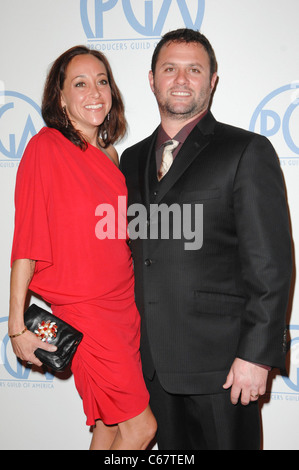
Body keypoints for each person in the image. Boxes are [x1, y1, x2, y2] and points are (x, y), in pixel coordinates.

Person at [120, 29, 293, 450]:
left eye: (194, 70)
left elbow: (270, 264)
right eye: (170, 69)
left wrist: (256, 355)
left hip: (224, 371)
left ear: (212, 80)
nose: (181, 79)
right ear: (151, 78)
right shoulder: (131, 159)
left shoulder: (246, 150)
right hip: (152, 370)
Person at [8, 45, 156, 450]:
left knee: (109, 424)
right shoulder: (45, 147)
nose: (95, 92)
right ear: (60, 97)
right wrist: (16, 324)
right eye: (80, 83)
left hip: (125, 303)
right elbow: (27, 240)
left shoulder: (112, 156)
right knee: (141, 429)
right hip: (87, 310)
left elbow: (118, 233)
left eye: (102, 81)